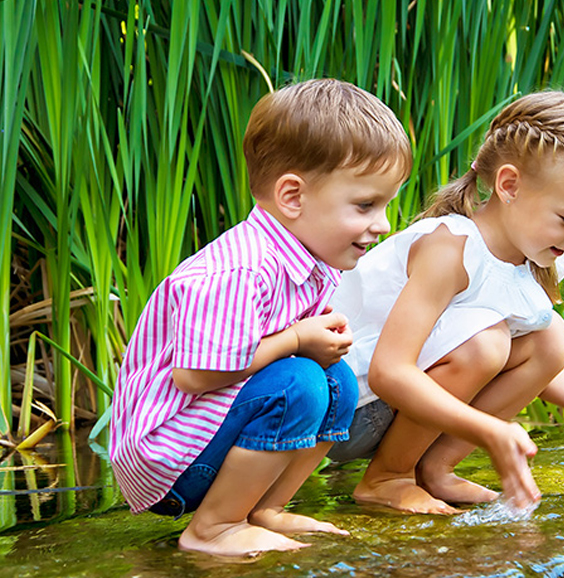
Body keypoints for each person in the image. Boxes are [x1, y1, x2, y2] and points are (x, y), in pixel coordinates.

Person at [109, 79, 412, 556]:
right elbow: (194, 374)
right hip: (169, 459)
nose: (384, 223)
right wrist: (296, 339)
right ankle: (213, 528)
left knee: (337, 381)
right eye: (366, 205)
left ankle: (265, 507)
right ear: (292, 196)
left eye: (386, 204)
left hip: (210, 436)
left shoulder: (312, 261)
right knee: (299, 381)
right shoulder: (241, 270)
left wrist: (316, 342)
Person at [327, 91, 564, 515]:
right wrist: (487, 430)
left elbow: (513, 358)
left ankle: (435, 468)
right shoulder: (450, 248)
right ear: (509, 186)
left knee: (552, 339)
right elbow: (389, 372)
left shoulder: (538, 257)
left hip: (397, 409)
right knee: (487, 342)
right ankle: (387, 477)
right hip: (347, 409)